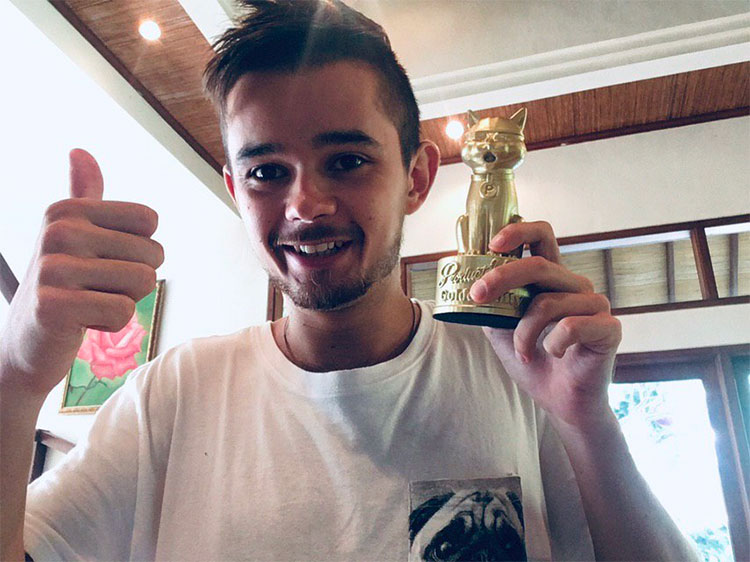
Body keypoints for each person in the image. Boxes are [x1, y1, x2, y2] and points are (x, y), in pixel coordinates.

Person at [0, 1, 699, 560]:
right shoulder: (170, 397)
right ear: (235, 190)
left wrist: (588, 421)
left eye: (346, 161)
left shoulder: (519, 379)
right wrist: (16, 375)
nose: (305, 205)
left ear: (417, 178)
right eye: (267, 171)